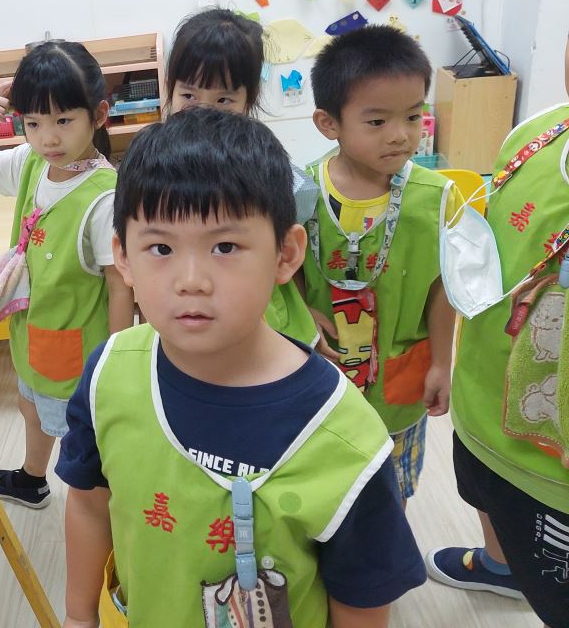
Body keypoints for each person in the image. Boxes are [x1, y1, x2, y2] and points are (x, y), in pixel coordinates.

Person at [58, 109, 424, 628]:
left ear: (286, 254)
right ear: (123, 257)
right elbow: (89, 503)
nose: (191, 280)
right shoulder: (108, 375)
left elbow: (362, 598)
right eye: (160, 248)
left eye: (225, 247)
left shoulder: (342, 435)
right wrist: (78, 617)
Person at [424, 36, 569, 627]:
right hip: (481, 405)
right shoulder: (539, 132)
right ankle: (500, 566)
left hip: (550, 469)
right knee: (481, 492)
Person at [0, 40, 134, 508]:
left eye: (63, 121)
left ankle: (99, 509)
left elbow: (120, 287)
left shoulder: (104, 196)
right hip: (32, 330)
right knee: (29, 406)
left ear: (98, 115)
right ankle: (33, 479)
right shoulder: (31, 162)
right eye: (33, 123)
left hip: (77, 353)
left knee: (80, 439)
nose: (48, 138)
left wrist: (115, 362)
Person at [301, 25, 462, 502]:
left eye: (413, 116)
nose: (400, 135)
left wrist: (442, 362)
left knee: (391, 495)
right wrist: (298, 312)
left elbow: (443, 287)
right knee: (329, 489)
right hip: (322, 382)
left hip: (399, 386)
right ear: (328, 123)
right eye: (376, 122)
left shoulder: (436, 199)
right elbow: (281, 273)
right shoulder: (300, 194)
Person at [166, 8, 320, 347]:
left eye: (223, 99)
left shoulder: (263, 167)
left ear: (248, 100)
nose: (204, 112)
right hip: (190, 315)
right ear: (171, 90)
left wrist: (306, 310)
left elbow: (288, 247)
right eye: (189, 96)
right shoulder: (159, 169)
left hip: (265, 317)